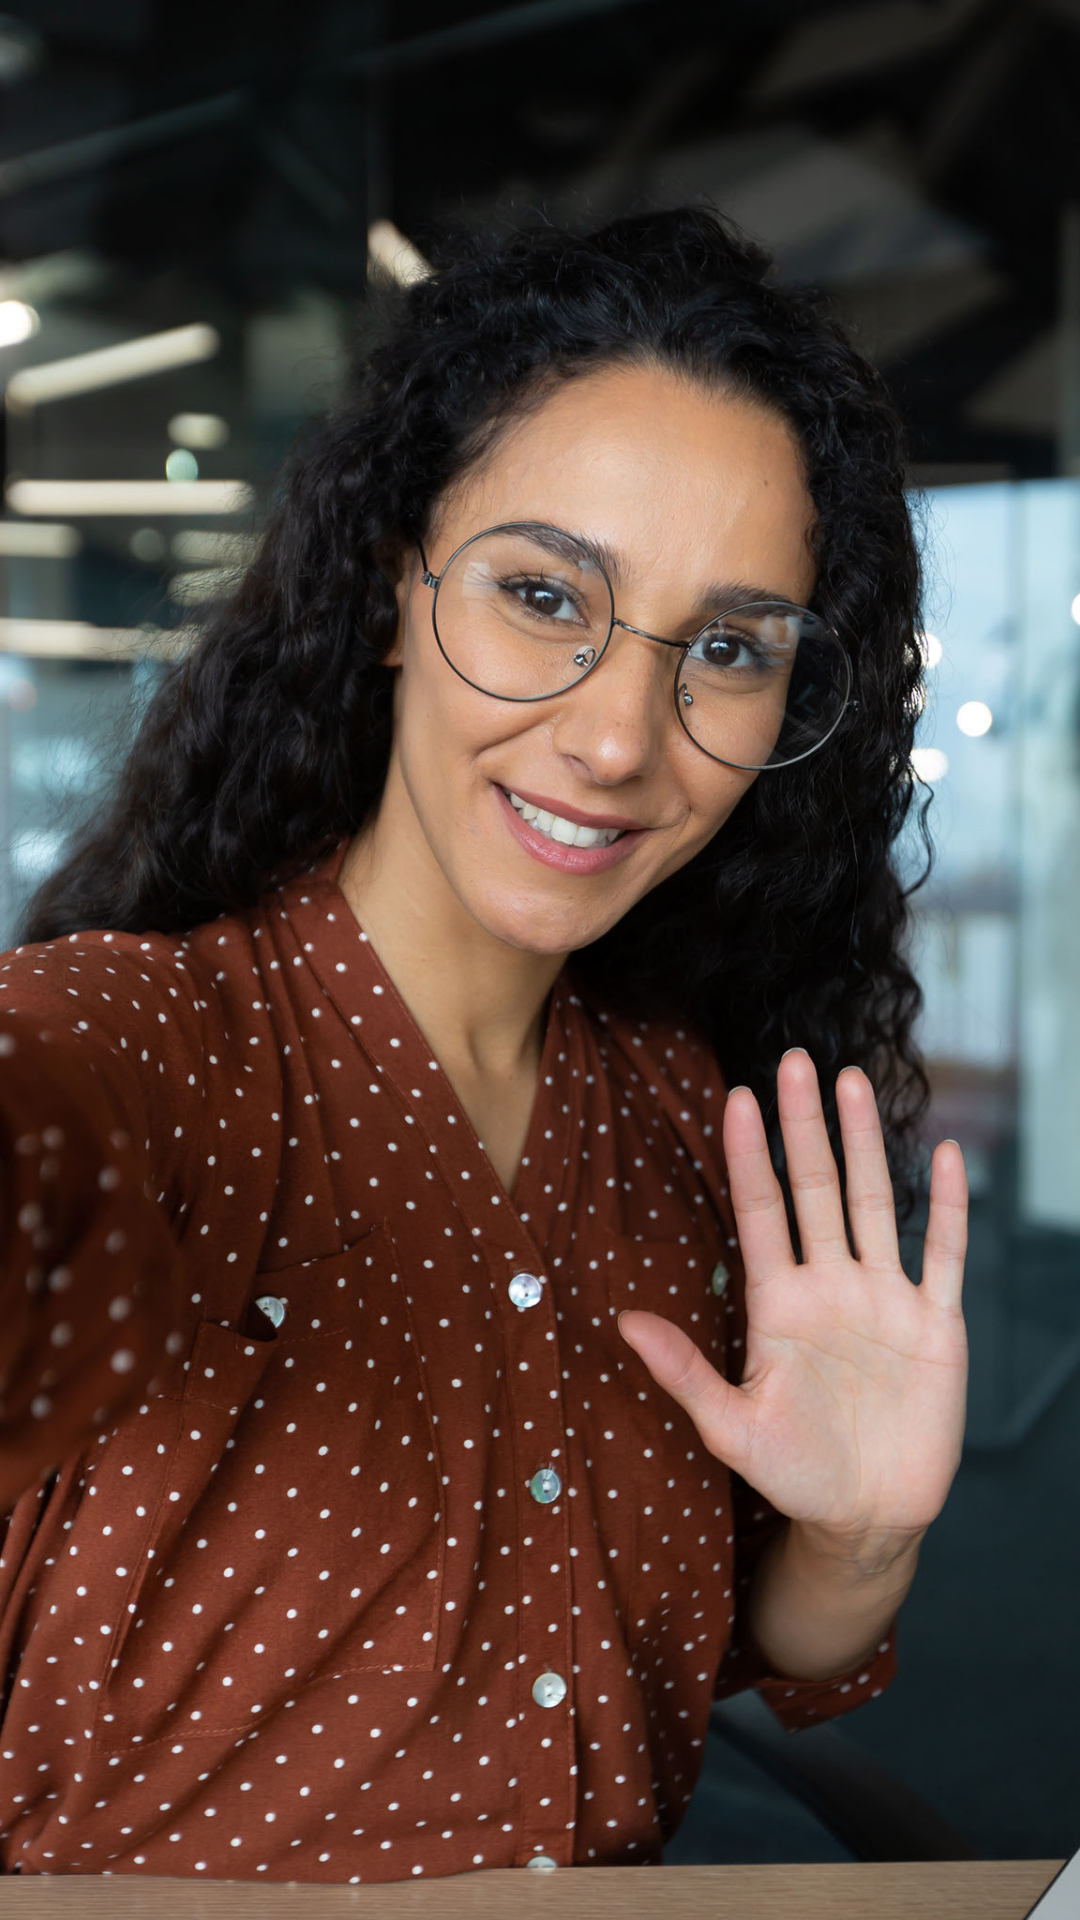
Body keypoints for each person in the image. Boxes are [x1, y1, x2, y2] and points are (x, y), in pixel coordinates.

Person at [0, 205, 968, 1883]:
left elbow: (739, 1662)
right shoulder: (136, 1052)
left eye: (725, 649)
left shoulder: (694, 1122)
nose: (612, 737)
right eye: (543, 595)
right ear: (391, 591)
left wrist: (858, 1539)